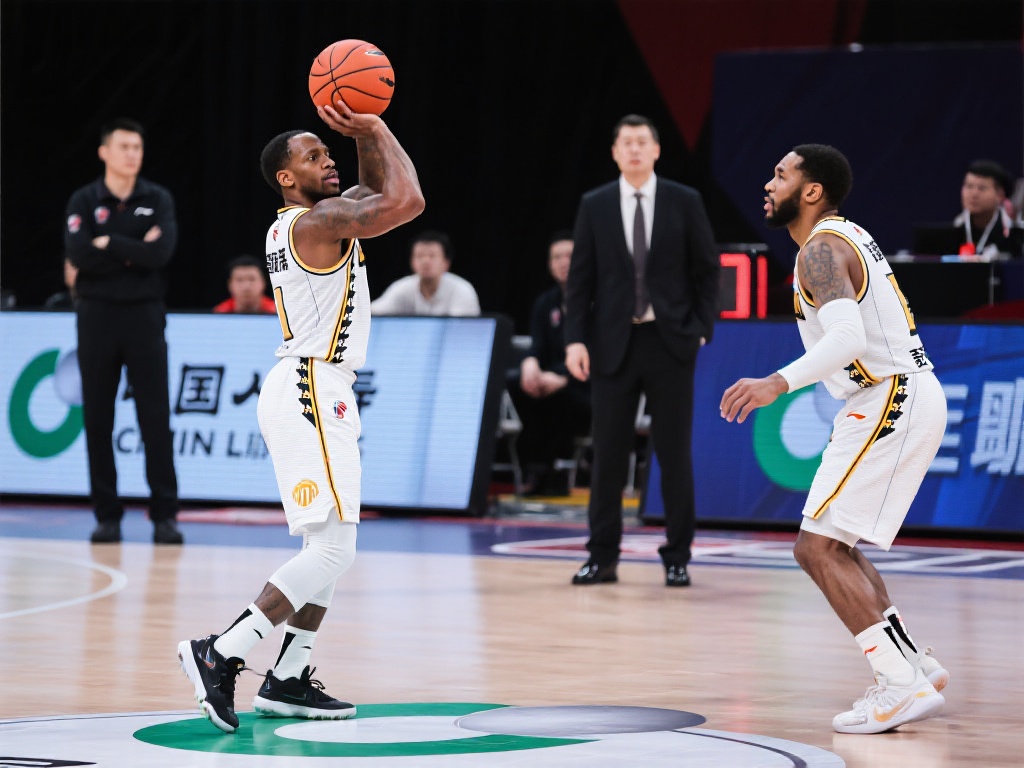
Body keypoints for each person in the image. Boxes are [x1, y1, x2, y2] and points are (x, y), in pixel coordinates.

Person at [177, 99, 424, 734]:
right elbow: (406, 201)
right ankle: (222, 651)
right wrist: (376, 126)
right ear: (287, 177)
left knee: (331, 545)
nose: (327, 160)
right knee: (335, 548)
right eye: (314, 156)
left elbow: (374, 190)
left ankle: (288, 677)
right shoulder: (317, 222)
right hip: (312, 385)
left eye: (328, 151)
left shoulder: (313, 220)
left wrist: (362, 136)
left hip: (318, 385)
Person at [720, 144, 949, 734]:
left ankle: (898, 684)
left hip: (889, 396)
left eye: (781, 175)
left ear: (812, 190)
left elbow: (847, 339)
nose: (768, 184)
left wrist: (776, 383)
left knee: (816, 549)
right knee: (834, 545)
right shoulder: (842, 238)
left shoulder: (820, 250)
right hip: (895, 395)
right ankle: (913, 665)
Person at [564, 114, 720, 587]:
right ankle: (602, 556)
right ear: (615, 152)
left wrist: (701, 328)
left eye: (642, 141)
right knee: (608, 455)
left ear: (656, 150)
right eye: (626, 142)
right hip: (612, 342)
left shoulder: (683, 200)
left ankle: (677, 556)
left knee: (673, 453)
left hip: (669, 340)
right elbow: (580, 280)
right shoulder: (594, 204)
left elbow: (707, 269)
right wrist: (575, 339)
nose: (634, 149)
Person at [64, 117, 183, 545]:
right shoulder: (83, 200)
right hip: (95, 316)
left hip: (144, 316)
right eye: (124, 146)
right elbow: (78, 254)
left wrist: (109, 243)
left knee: (155, 417)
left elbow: (161, 253)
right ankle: (107, 516)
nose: (132, 154)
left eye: (137, 147)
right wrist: (134, 248)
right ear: (104, 152)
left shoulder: (158, 198)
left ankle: (164, 516)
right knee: (98, 418)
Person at [510, 231, 591, 495]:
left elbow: (602, 353)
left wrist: (563, 377)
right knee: (517, 383)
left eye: (569, 255)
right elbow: (537, 346)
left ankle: (556, 470)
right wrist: (529, 363)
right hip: (550, 382)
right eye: (557, 257)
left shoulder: (599, 300)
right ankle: (536, 468)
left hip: (588, 386)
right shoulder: (545, 303)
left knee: (560, 399)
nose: (563, 262)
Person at [370, 229, 480, 315]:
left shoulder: (462, 290)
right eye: (420, 256)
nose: (425, 261)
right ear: (412, 261)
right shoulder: (402, 288)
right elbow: (374, 312)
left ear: (446, 263)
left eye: (432, 256)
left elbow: (462, 328)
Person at [953, 159, 1023, 258]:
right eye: (969, 186)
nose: (974, 194)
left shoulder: (1013, 235)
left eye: (982, 188)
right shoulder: (956, 227)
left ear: (1000, 195)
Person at [213, 254, 277, 314]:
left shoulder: (277, 312)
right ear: (230, 284)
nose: (246, 286)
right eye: (239, 280)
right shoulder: (218, 314)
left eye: (252, 279)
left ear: (263, 282)